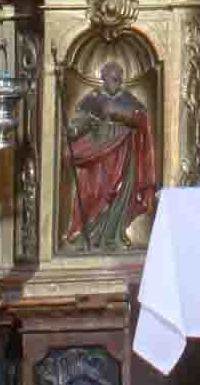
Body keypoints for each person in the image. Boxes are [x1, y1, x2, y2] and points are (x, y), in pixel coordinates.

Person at [60, 59, 156, 250]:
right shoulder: (93, 98)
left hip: (123, 153)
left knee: (119, 193)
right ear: (103, 78)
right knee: (94, 193)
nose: (117, 83)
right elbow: (80, 120)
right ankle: (86, 234)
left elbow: (141, 119)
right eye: (113, 79)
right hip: (97, 155)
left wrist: (120, 114)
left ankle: (114, 234)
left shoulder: (128, 98)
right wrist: (74, 130)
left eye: (120, 79)